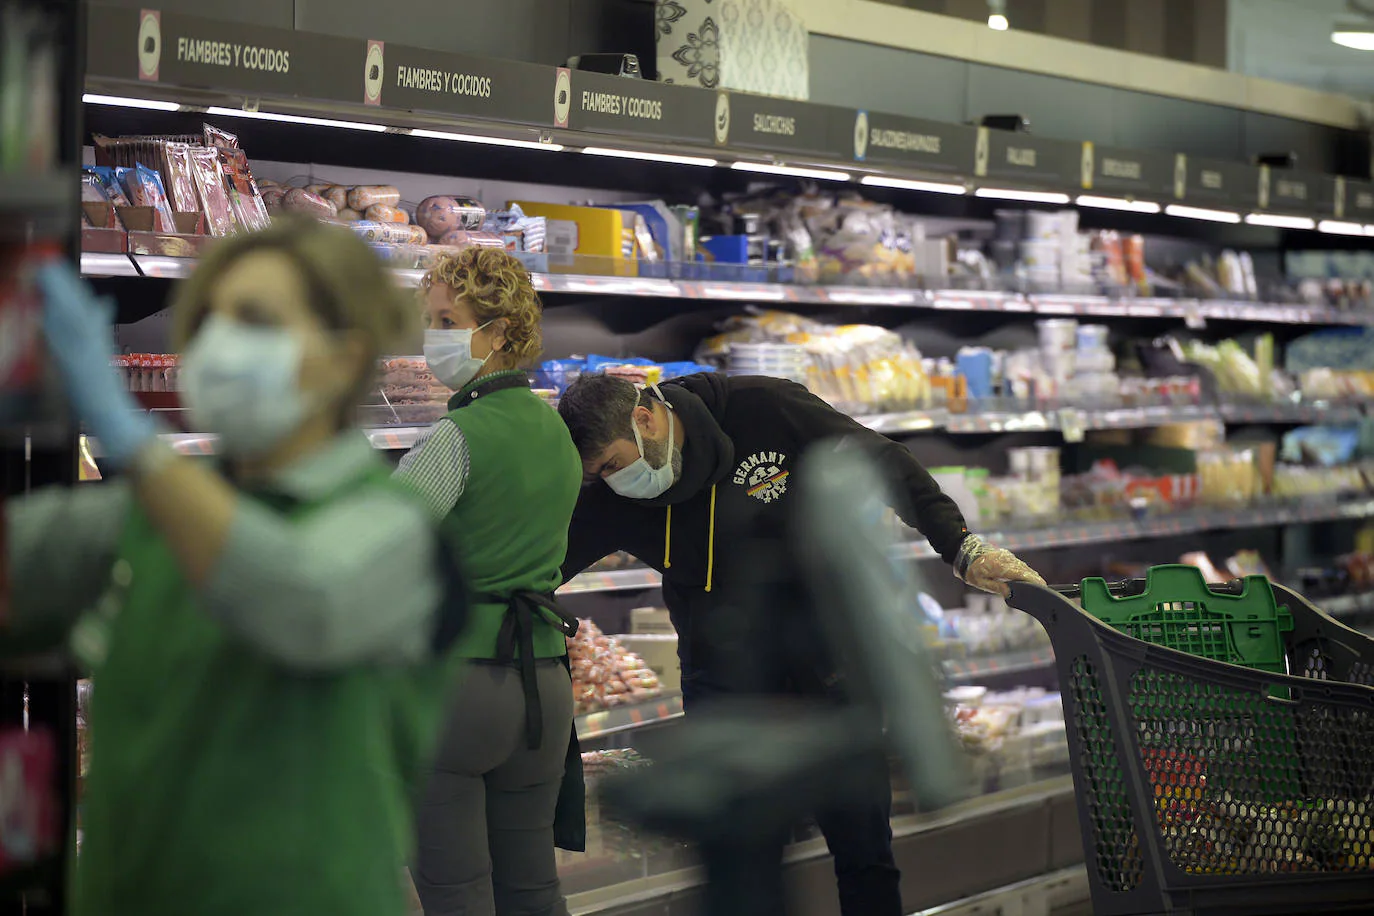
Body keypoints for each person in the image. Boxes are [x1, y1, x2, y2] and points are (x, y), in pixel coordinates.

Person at [4, 221, 467, 916]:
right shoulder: (143, 519)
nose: (218, 344)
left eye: (254, 320)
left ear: (347, 357)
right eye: (208, 319)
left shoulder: (393, 530)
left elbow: (302, 600)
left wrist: (129, 435)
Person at [556, 371, 1045, 916]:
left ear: (644, 419)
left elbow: (880, 460)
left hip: (824, 662)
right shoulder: (613, 498)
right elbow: (544, 562)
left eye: (612, 464)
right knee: (741, 856)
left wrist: (961, 545)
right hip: (721, 675)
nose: (610, 481)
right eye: (596, 474)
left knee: (863, 848)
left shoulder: (763, 407)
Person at [393, 248, 583, 916]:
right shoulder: (555, 428)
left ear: (499, 332)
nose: (433, 336)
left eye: (448, 319)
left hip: (458, 687)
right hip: (543, 686)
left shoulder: (456, 437)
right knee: (532, 888)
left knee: (458, 894)